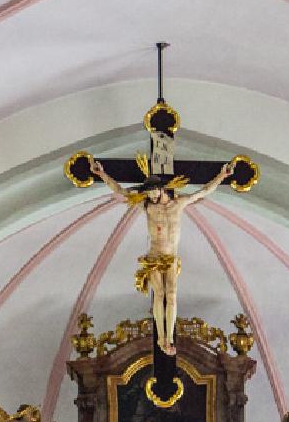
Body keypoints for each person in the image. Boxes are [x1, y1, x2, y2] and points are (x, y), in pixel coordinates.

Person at [85, 158, 235, 386]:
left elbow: (203, 192)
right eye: (148, 193)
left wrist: (222, 176)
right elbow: (121, 192)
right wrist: (102, 174)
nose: (150, 196)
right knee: (160, 295)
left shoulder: (179, 204)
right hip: (154, 258)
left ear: (161, 188)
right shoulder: (147, 207)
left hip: (171, 258)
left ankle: (168, 338)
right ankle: (162, 338)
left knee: (172, 295)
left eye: (153, 192)